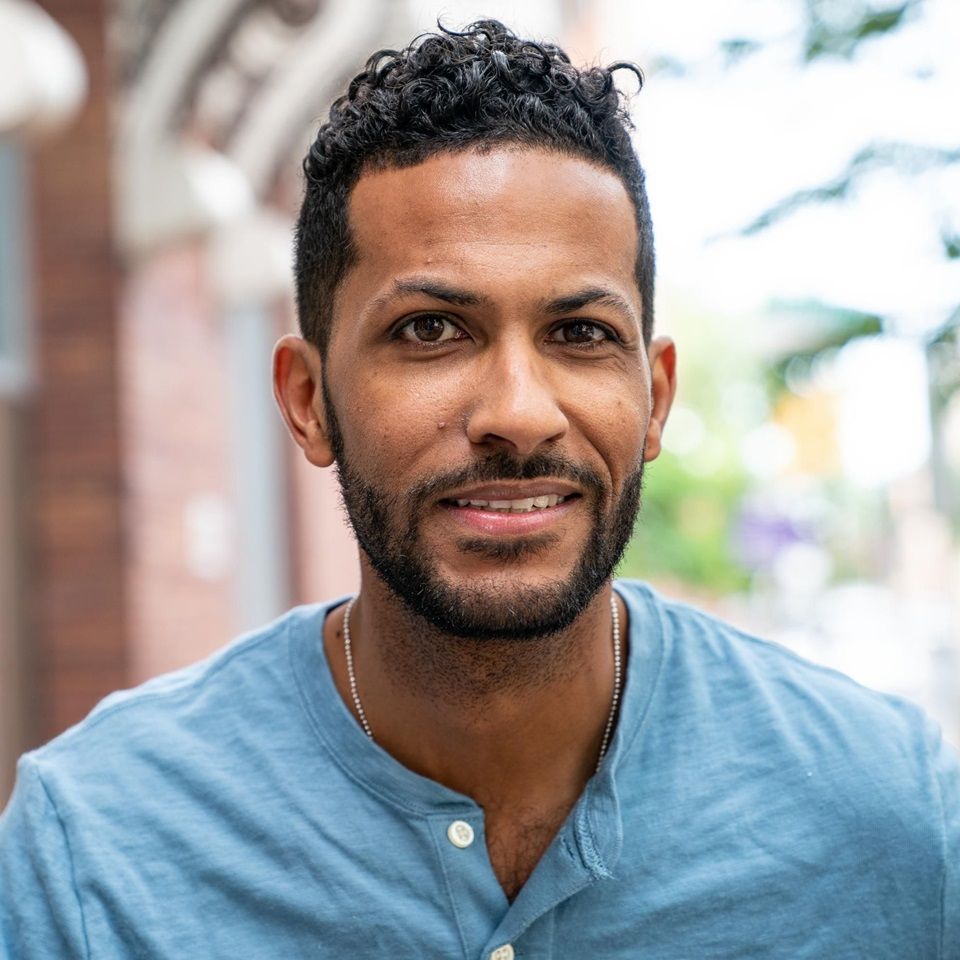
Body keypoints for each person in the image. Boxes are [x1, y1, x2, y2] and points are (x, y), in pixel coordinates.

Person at [1, 19, 957, 959]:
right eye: (430, 330)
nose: (519, 412)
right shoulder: (98, 853)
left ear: (654, 397)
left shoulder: (892, 818)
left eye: (580, 333)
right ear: (307, 401)